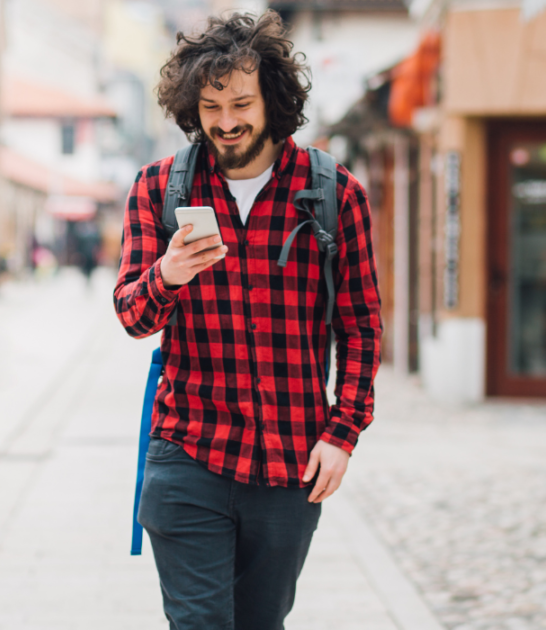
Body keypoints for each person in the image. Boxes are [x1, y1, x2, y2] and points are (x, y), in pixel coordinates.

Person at [113, 11, 382, 630]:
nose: (226, 122)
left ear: (273, 98)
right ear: (192, 109)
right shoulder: (159, 188)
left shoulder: (334, 192)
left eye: (240, 102)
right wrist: (168, 274)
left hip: (289, 466)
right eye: (210, 107)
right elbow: (132, 315)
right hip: (188, 455)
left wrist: (342, 434)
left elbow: (361, 325)